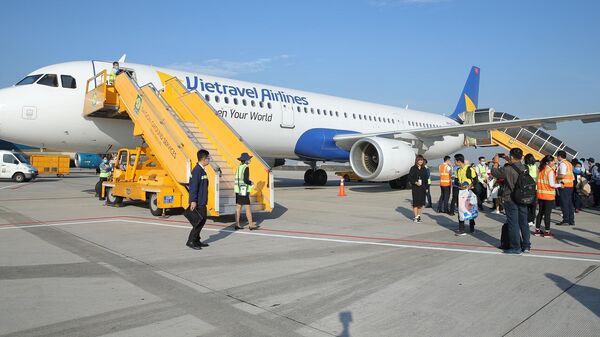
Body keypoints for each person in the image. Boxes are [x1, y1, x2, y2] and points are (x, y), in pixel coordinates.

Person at [491, 148, 531, 254]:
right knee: (523, 222)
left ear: (512, 157)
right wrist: (509, 160)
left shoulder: (507, 169)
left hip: (510, 198)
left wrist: (496, 162)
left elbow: (495, 173)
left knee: (513, 223)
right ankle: (526, 245)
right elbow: (516, 166)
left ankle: (515, 247)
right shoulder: (525, 167)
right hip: (523, 198)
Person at [187, 149, 211, 250]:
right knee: (199, 221)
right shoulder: (197, 171)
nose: (209, 160)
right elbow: (193, 187)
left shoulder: (201, 170)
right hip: (199, 201)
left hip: (202, 200)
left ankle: (196, 240)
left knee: (202, 220)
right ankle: (191, 241)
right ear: (204, 159)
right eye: (208, 158)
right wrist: (193, 200)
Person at [534, 155, 562, 237]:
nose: (554, 162)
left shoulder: (540, 170)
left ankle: (537, 230)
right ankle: (547, 232)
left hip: (540, 194)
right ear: (547, 162)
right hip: (548, 195)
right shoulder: (549, 171)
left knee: (540, 213)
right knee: (547, 214)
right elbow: (552, 184)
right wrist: (560, 185)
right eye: (552, 161)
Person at [234, 152, 260, 230]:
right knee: (248, 207)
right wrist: (251, 182)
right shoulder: (246, 168)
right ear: (245, 160)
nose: (250, 160)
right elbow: (245, 180)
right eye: (249, 159)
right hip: (243, 190)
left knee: (238, 207)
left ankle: (237, 224)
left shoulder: (239, 167)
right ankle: (251, 224)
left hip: (238, 189)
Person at [453, 154, 477, 236]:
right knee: (461, 210)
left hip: (469, 192)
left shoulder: (470, 169)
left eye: (455, 161)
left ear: (459, 161)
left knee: (470, 210)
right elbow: (456, 180)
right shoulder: (458, 170)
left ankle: (472, 227)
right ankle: (462, 229)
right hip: (461, 192)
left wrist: (470, 186)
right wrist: (459, 185)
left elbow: (475, 180)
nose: (454, 162)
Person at [555, 151, 575, 226]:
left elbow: (562, 175)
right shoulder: (569, 163)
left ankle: (566, 220)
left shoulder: (562, 164)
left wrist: (555, 177)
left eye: (557, 156)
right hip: (570, 185)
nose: (557, 158)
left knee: (564, 204)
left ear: (560, 156)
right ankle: (571, 220)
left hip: (564, 185)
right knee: (569, 203)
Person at [408, 155, 428, 223]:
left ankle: (419, 216)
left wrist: (426, 188)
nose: (420, 161)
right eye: (419, 160)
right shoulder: (413, 168)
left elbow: (426, 179)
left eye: (422, 160)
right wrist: (415, 182)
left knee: (421, 203)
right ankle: (416, 217)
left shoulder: (424, 169)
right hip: (415, 188)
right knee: (416, 203)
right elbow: (410, 178)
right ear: (417, 160)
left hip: (422, 188)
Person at [524, 153, 538, 226]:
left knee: (527, 205)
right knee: (533, 205)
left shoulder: (525, 167)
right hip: (535, 188)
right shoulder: (536, 166)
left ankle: (528, 219)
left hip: (527, 188)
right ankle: (532, 220)